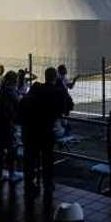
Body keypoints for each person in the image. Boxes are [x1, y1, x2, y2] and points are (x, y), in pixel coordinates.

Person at [19, 67, 74, 197]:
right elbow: (69, 106)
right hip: (45, 131)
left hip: (29, 129)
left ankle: (29, 185)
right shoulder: (57, 92)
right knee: (47, 159)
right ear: (56, 78)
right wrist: (61, 87)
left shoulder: (36, 87)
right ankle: (48, 185)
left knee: (30, 159)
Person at [0, 70, 23, 184]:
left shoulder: (1, 91)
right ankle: (12, 174)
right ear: (15, 81)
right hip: (7, 126)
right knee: (12, 150)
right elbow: (19, 108)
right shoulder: (12, 93)